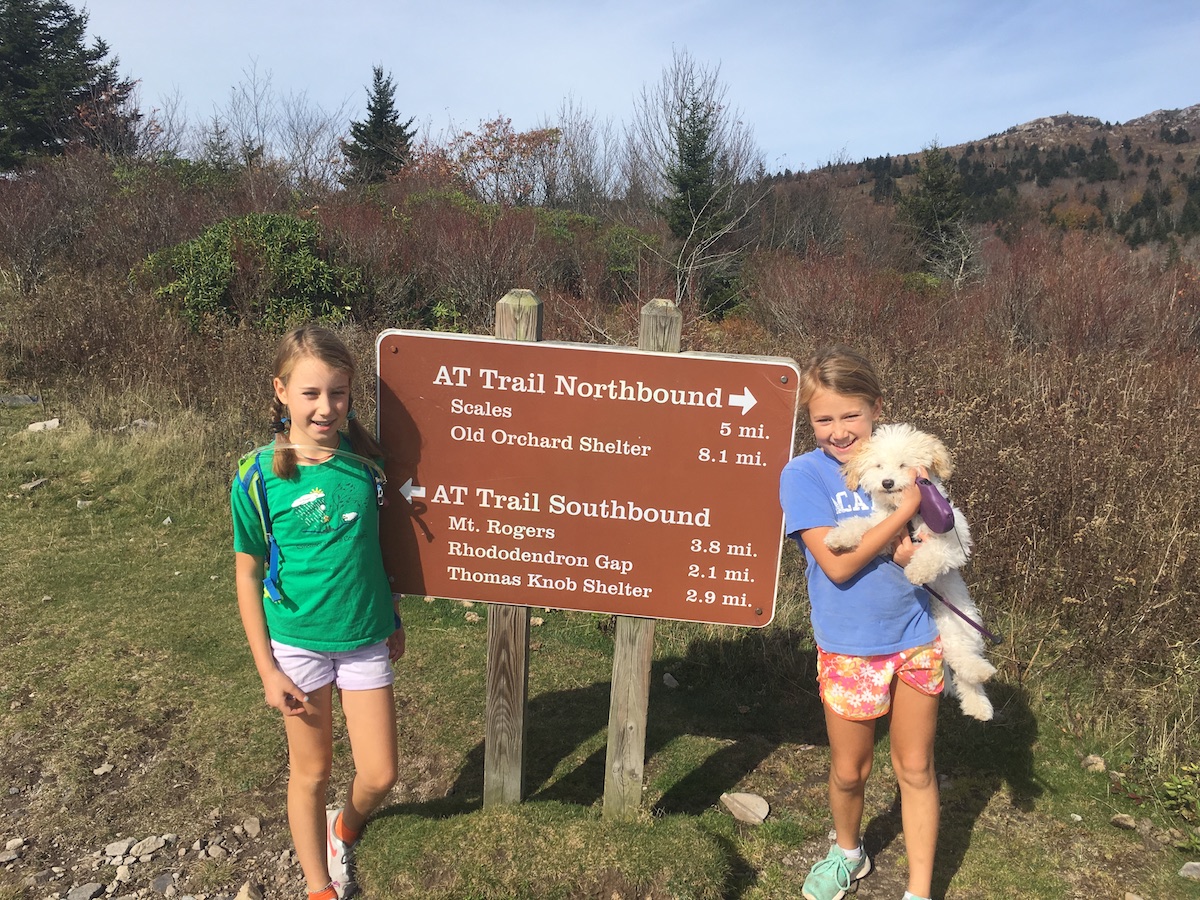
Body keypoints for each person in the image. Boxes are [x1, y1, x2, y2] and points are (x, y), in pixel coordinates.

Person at [232, 324, 404, 900]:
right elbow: (248, 572)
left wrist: (393, 617)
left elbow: (380, 550)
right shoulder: (258, 474)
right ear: (280, 391)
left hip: (364, 636)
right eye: (310, 393)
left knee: (380, 773)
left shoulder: (366, 462)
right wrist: (267, 671)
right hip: (297, 643)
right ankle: (316, 886)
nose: (326, 407)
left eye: (339, 393)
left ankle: (344, 829)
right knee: (313, 772)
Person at [779, 345, 941, 900]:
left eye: (851, 415)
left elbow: (937, 546)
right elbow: (838, 562)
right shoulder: (803, 476)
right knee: (851, 770)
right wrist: (902, 511)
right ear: (810, 421)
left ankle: (919, 891)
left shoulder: (907, 464)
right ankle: (848, 853)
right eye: (824, 419)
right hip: (847, 645)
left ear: (876, 408)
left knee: (915, 768)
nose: (839, 430)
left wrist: (918, 514)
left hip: (917, 637)